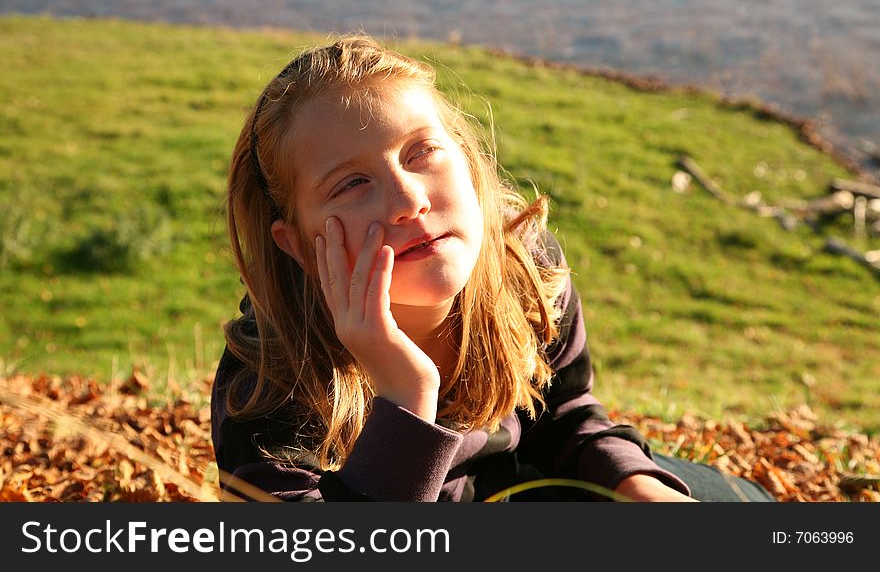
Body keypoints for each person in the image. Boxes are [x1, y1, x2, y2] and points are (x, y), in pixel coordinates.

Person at [210, 34, 774, 503]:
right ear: (299, 246)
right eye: (352, 184)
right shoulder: (265, 382)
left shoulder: (522, 263)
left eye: (421, 152)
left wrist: (645, 491)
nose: (409, 200)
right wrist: (406, 397)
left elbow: (563, 415)